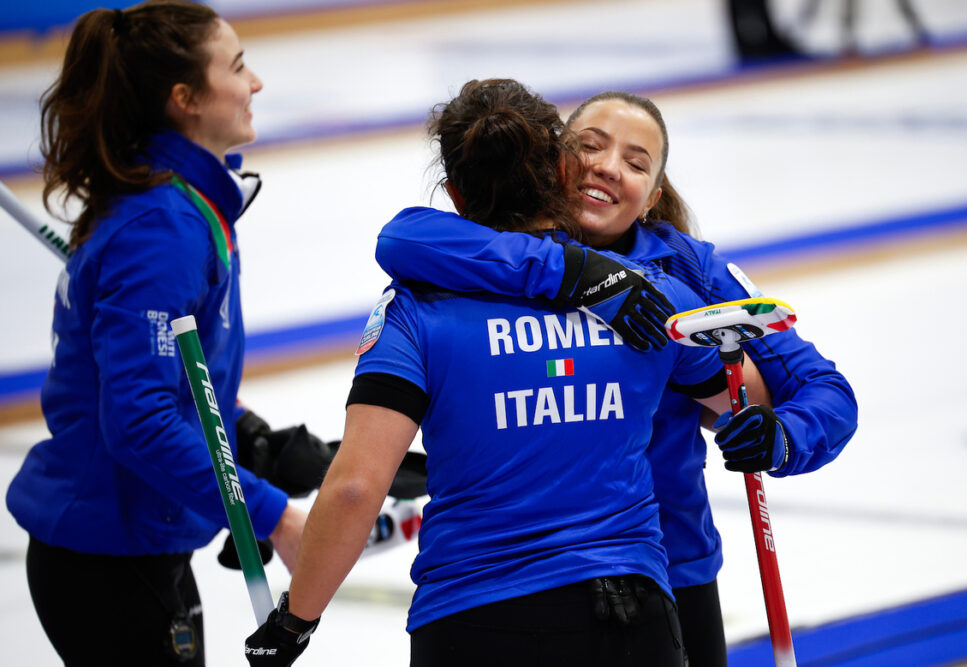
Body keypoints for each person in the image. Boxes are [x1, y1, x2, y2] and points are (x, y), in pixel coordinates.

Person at [243, 78, 761, 667]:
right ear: (561, 172)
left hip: (477, 618)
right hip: (631, 613)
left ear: (455, 195)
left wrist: (294, 621)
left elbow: (357, 487)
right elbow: (745, 400)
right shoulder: (643, 296)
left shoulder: (414, 310)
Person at [374, 90, 858, 664]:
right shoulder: (497, 247)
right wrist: (580, 274)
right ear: (552, 162)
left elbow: (827, 393)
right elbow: (403, 237)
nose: (608, 167)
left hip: (669, 569)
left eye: (635, 162)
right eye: (590, 147)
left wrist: (784, 435)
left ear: (652, 197)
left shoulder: (688, 272)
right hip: (520, 579)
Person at [4, 3, 309, 664]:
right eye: (237, 66)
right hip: (107, 555)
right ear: (186, 99)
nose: (255, 83)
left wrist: (251, 436)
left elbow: (178, 385)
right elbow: (138, 420)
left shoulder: (187, 206)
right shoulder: (159, 229)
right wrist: (268, 512)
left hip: (146, 537)